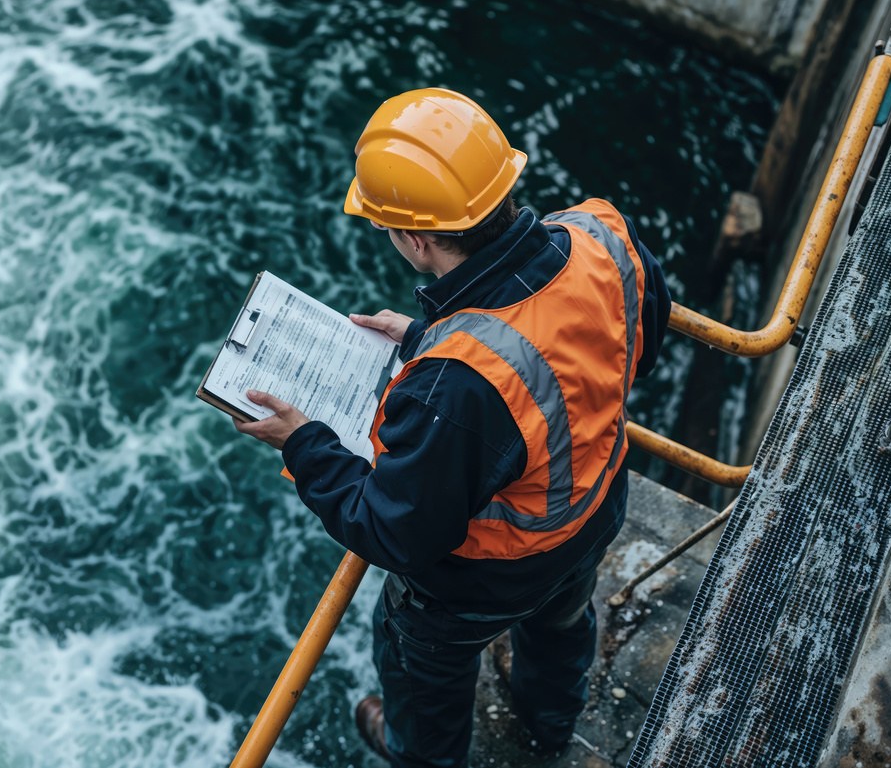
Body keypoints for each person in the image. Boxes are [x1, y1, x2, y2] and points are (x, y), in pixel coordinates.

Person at [232, 88, 671, 767]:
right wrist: (427, 337)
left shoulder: (454, 385)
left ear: (415, 237)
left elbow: (396, 529)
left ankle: (420, 755)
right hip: (595, 509)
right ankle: (549, 726)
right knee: (560, 628)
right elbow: (637, 334)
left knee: (420, 672)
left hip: (489, 580)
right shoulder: (599, 232)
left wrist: (303, 442)